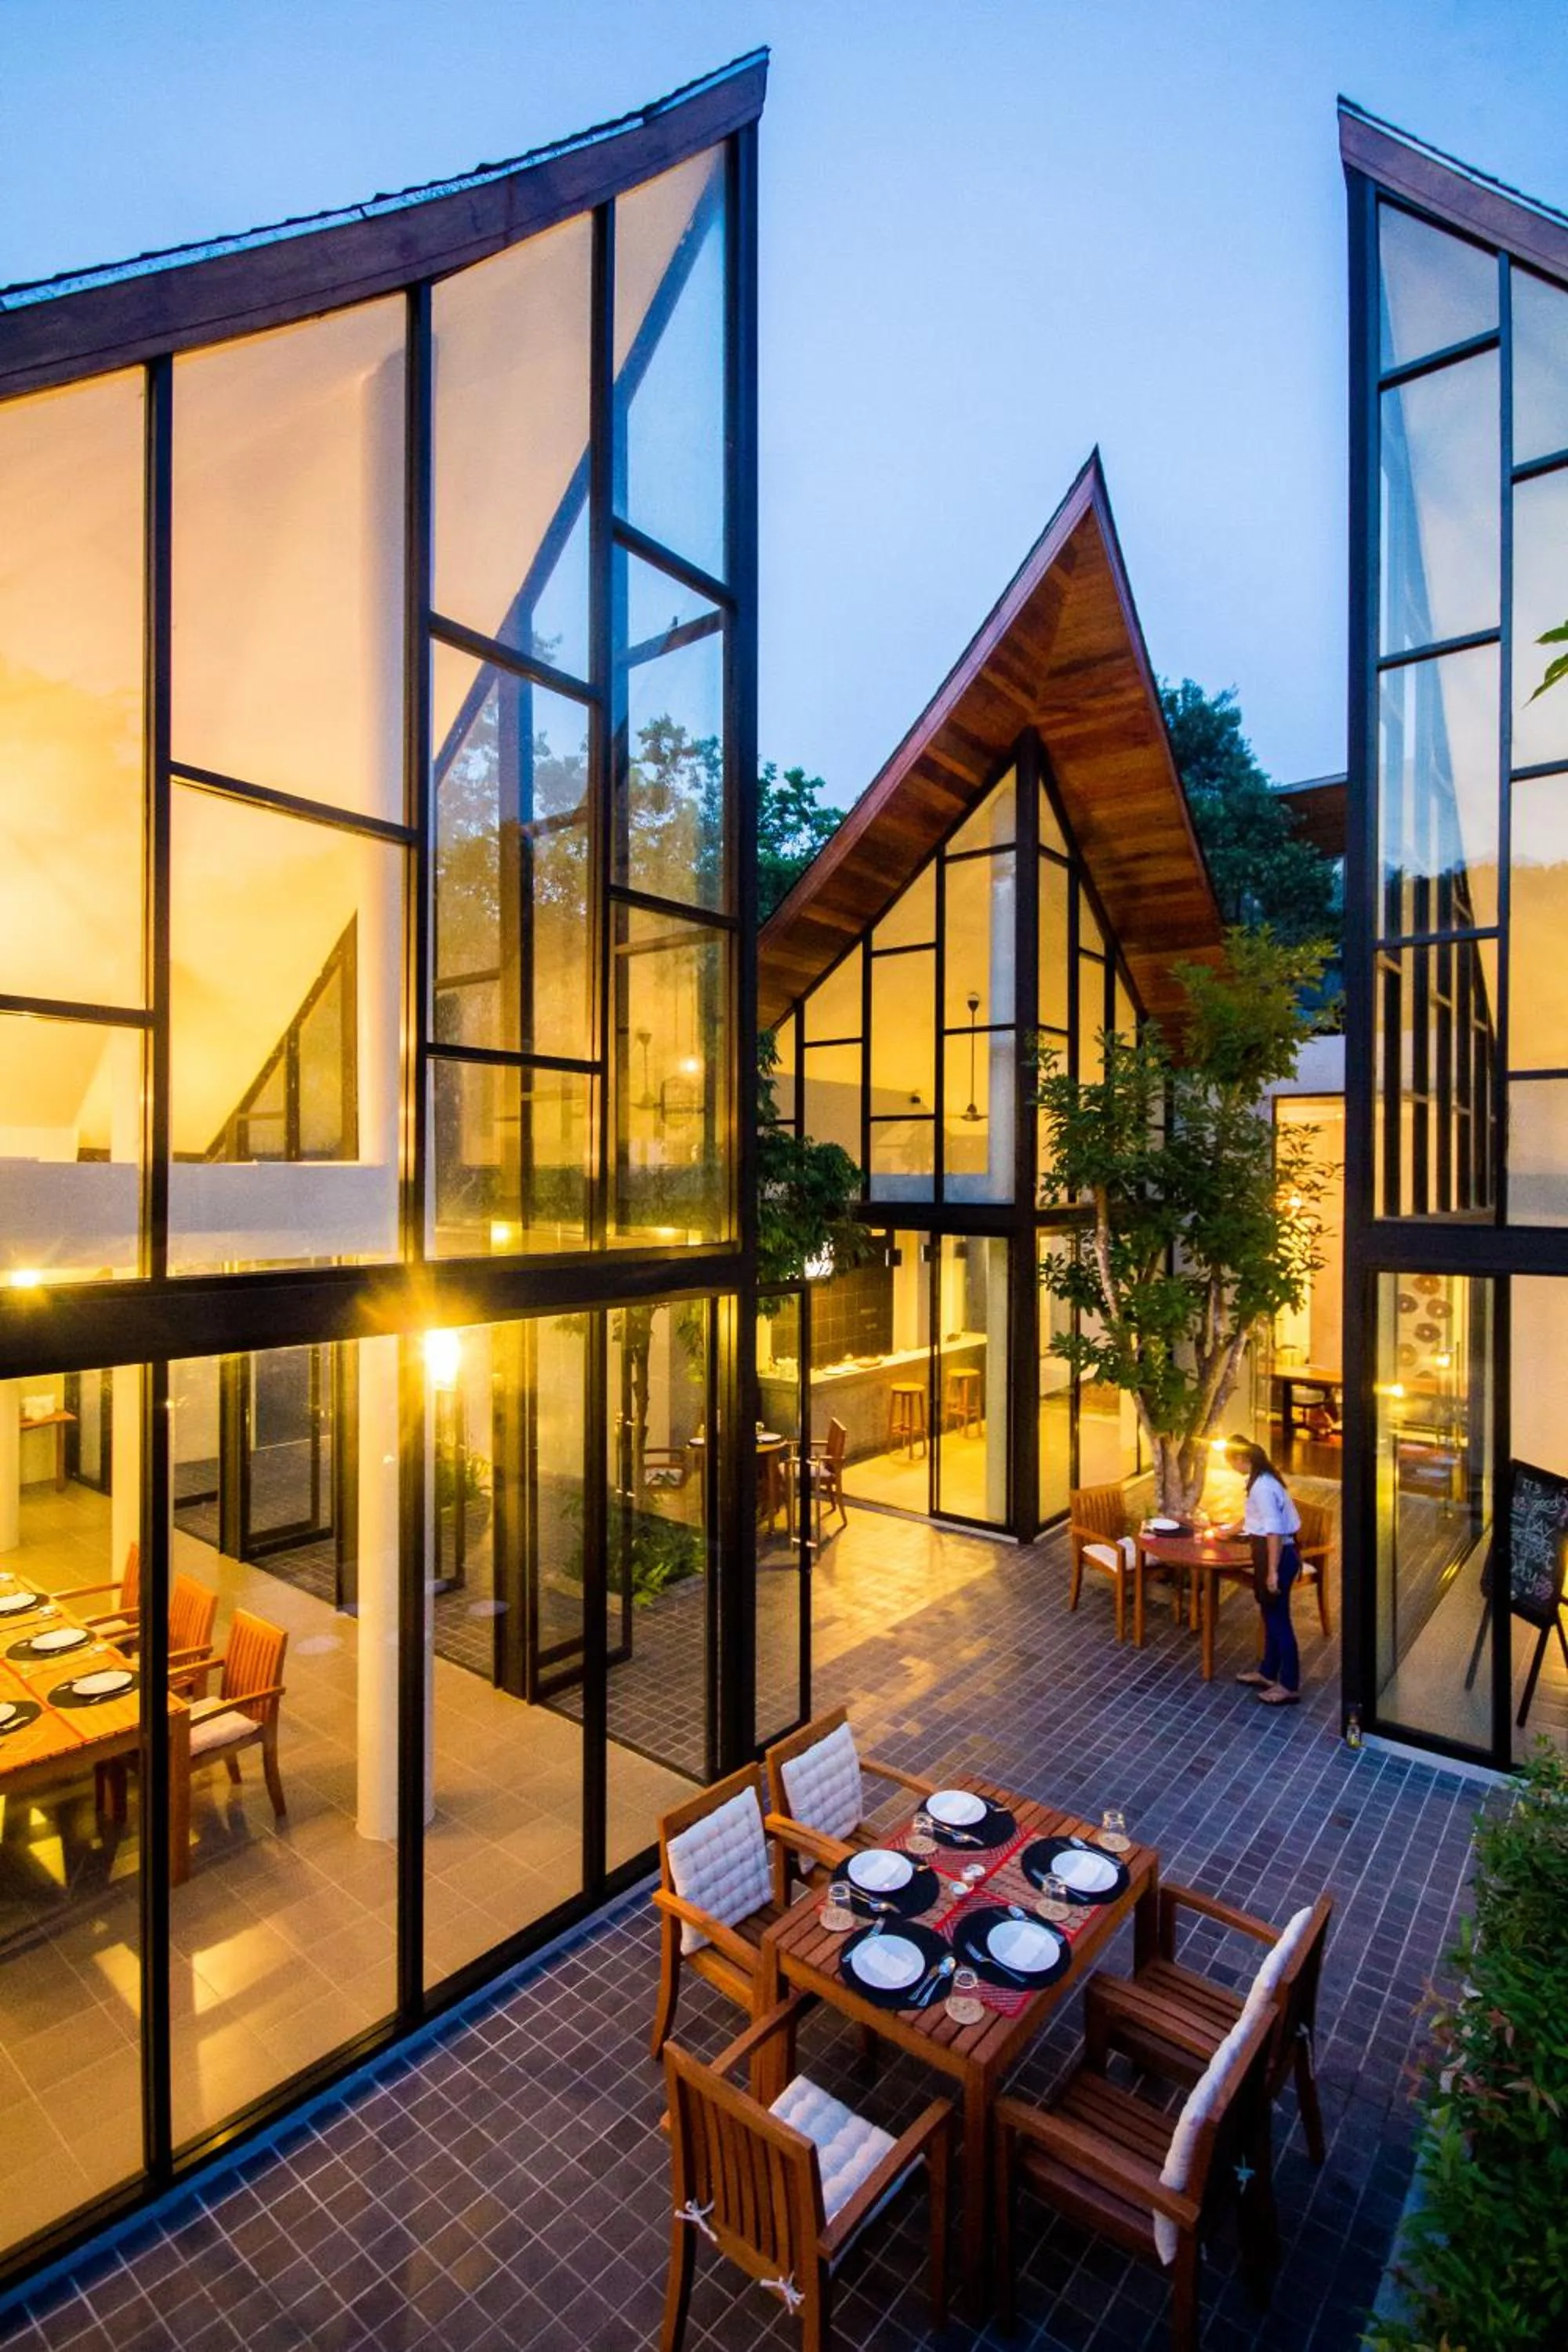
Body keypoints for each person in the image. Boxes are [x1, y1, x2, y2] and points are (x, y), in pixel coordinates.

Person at [1218, 1436, 1303, 1705]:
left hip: (1277, 1555)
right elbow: (1254, 1517)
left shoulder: (1262, 1487)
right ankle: (1268, 1671)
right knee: (1270, 1613)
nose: (1232, 1468)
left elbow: (1274, 1529)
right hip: (1270, 1552)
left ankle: (1289, 1684)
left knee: (1279, 1618)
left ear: (1242, 1459)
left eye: (1231, 1462)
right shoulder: (1259, 1480)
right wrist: (1227, 1531)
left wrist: (1273, 1571)